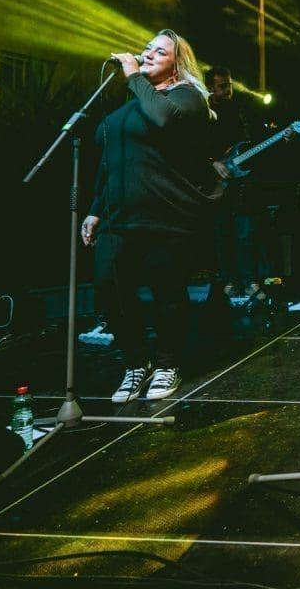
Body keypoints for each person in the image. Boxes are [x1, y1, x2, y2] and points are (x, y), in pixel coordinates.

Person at [82, 30, 216, 403]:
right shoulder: (134, 103)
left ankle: (167, 363)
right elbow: (113, 158)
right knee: (108, 291)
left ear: (177, 64)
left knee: (166, 291)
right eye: (147, 49)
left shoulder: (187, 98)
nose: (149, 54)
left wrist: (134, 77)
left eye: (161, 51)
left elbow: (162, 119)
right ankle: (136, 361)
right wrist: (95, 209)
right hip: (118, 215)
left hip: (166, 214)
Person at [206, 66, 273, 302]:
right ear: (210, 88)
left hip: (243, 183)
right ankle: (228, 282)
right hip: (216, 184)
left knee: (246, 234)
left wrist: (283, 138)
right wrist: (212, 163)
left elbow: (258, 141)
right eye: (222, 86)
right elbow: (192, 147)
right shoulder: (204, 113)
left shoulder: (242, 111)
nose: (228, 90)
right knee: (222, 234)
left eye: (230, 85)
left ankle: (250, 281)